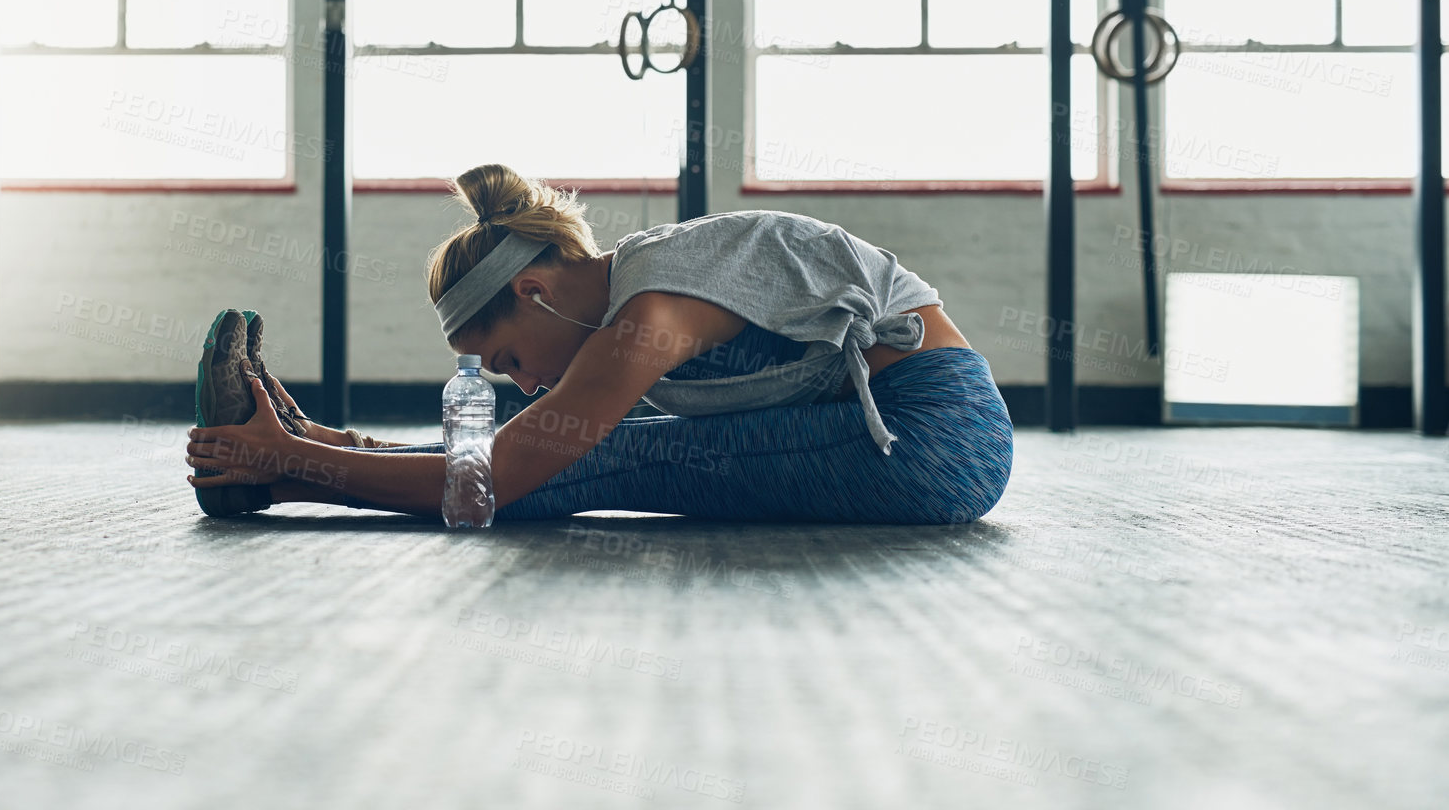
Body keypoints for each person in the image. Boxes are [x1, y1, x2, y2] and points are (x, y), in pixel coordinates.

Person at [185, 163, 1013, 524]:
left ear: (533, 290)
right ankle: (309, 449)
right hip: (905, 428)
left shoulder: (651, 307)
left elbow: (502, 477)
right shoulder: (641, 286)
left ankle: (281, 472)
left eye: (506, 359)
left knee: (580, 459)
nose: (519, 382)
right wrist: (333, 445)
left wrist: (294, 465)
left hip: (931, 440)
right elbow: (512, 454)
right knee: (570, 450)